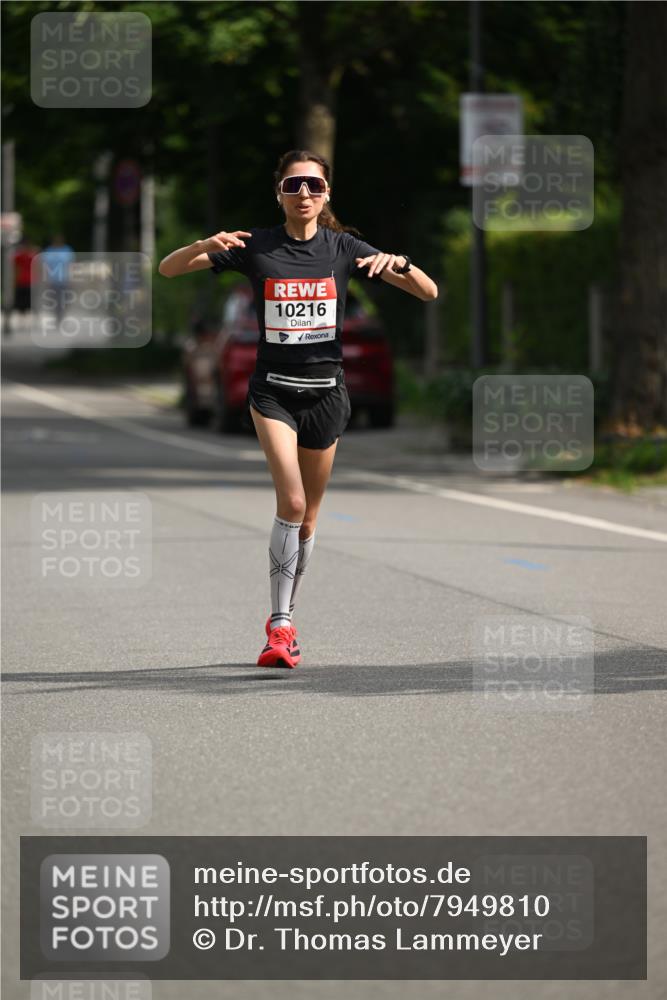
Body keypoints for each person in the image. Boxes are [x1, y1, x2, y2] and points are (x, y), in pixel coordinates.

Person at [159, 149, 438, 668]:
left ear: (327, 193)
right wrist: (203, 245)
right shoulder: (256, 246)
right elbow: (168, 269)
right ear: (279, 195)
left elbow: (428, 292)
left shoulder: (344, 248)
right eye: (293, 186)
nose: (304, 194)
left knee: (308, 518)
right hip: (273, 393)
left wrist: (400, 262)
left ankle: (288, 614)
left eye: (313, 185)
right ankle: (280, 625)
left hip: (327, 395)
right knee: (290, 501)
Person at [40, 233, 74, 326]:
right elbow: (45, 266)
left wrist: (71, 278)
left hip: (64, 279)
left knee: (64, 300)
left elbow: (70, 265)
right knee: (53, 300)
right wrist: (45, 278)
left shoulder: (67, 250)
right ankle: (57, 316)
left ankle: (61, 316)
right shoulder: (49, 251)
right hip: (52, 280)